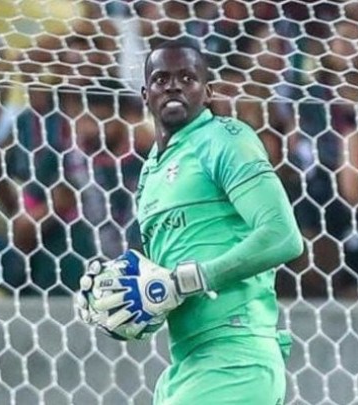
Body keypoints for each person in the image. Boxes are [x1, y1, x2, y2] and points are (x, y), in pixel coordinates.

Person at [77, 37, 304, 404]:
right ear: (145, 93)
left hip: (235, 356)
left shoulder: (225, 140)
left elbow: (283, 236)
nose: (174, 86)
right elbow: (159, 282)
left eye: (187, 77)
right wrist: (114, 298)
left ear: (208, 91)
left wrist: (189, 280)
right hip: (187, 363)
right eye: (162, 79)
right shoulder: (151, 171)